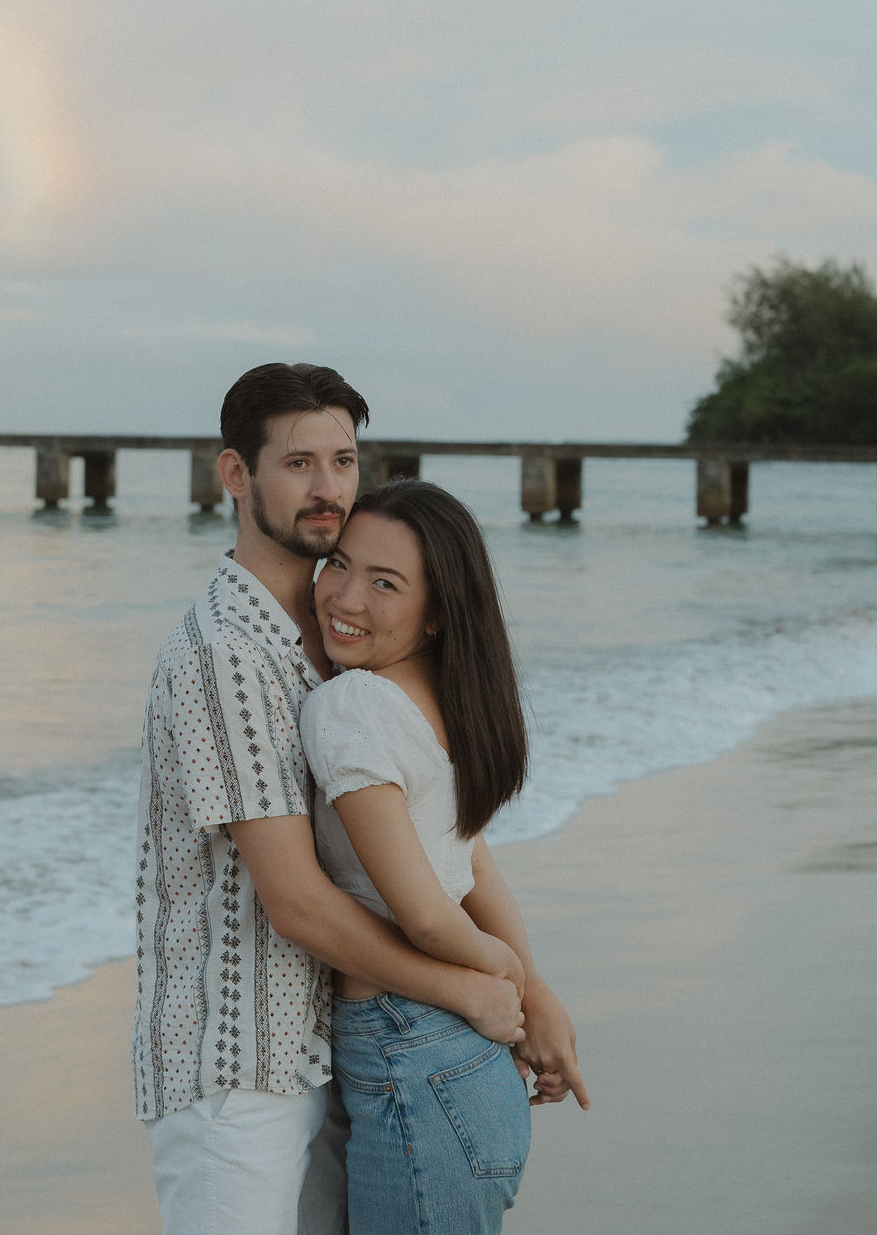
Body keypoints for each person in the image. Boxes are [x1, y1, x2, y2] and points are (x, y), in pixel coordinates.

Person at [131, 364, 531, 1235]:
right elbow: (300, 904)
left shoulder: (334, 635)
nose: (329, 491)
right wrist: (473, 990)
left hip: (328, 1048)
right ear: (236, 475)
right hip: (235, 1066)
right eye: (300, 463)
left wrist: (534, 991)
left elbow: (431, 824)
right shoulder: (224, 654)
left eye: (343, 461)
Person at [300, 479, 590, 1234]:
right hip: (461, 1074)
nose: (345, 597)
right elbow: (475, 868)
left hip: (413, 1061)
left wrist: (511, 976)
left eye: (384, 583)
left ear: (435, 616)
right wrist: (527, 993)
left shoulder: (352, 705)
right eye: (338, 563)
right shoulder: (441, 701)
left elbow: (429, 916)